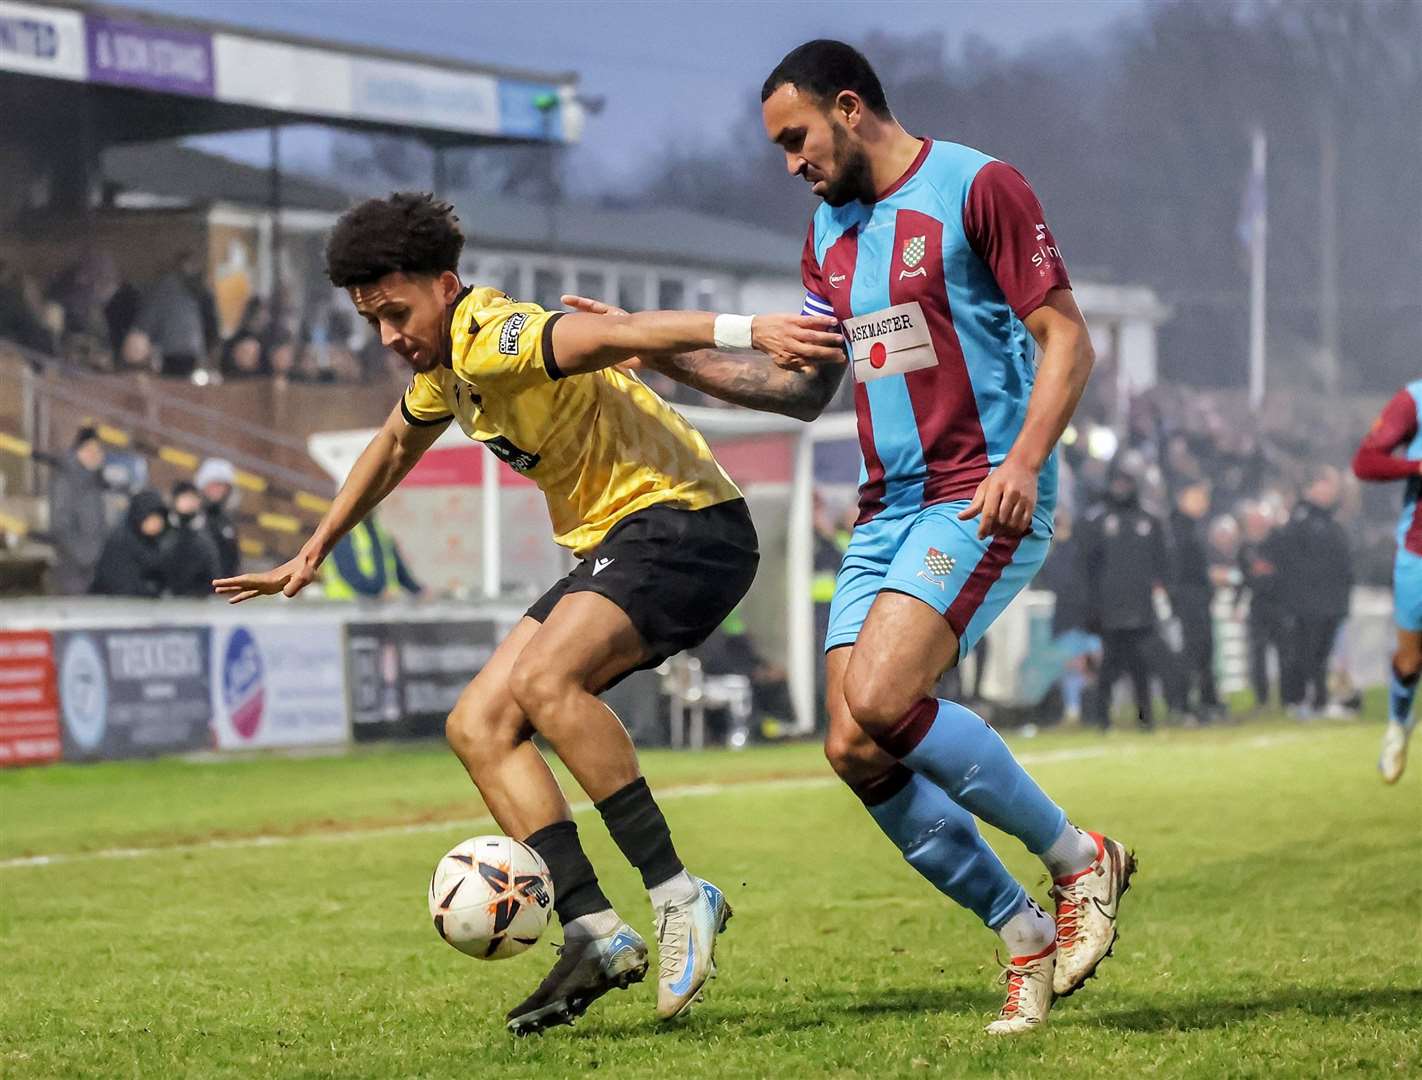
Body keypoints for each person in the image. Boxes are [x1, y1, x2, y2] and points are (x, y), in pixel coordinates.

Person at [568, 41, 1134, 1034]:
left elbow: (1068, 339)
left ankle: (1082, 860)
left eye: (796, 137)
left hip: (980, 492)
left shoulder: (978, 186)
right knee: (851, 745)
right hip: (885, 511)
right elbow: (800, 389)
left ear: (849, 106)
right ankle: (1021, 934)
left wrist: (1026, 462)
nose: (790, 160)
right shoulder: (829, 234)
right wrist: (655, 357)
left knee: (881, 698)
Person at [211, 192, 838, 1033]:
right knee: (477, 724)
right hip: (626, 539)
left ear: (444, 285)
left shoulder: (492, 335)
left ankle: (680, 896)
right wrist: (316, 545)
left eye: (397, 312)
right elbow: (394, 443)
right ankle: (590, 929)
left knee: (547, 681)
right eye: (373, 322)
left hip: (686, 522)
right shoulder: (444, 371)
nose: (390, 336)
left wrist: (748, 329)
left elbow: (617, 335)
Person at [1351, 383, 1422, 782]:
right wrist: (1416, 467)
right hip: (1419, 551)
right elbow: (1365, 462)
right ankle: (1398, 723)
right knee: (1410, 659)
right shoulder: (1414, 400)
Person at [1078, 455, 1171, 732]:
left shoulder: (1149, 520)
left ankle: (1146, 719)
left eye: (1126, 482)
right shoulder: (1096, 520)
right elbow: (1086, 568)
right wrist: (1091, 609)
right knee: (1109, 667)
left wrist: (1162, 594)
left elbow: (1163, 563)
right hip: (1110, 610)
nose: (1121, 488)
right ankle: (1101, 719)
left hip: (1141, 607)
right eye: (1117, 482)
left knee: (1142, 665)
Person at [1274, 466, 1353, 718]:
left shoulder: (1329, 521)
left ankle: (1319, 699)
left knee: (1321, 655)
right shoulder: (1300, 521)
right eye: (1328, 484)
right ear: (1313, 487)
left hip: (1330, 602)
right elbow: (1291, 565)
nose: (1333, 490)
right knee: (1306, 653)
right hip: (1309, 604)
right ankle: (1303, 700)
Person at [1166, 478, 1223, 723]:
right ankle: (1184, 705)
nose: (1204, 502)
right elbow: (1179, 569)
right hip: (1188, 600)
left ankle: (1207, 700)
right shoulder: (1176, 529)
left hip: (1197, 598)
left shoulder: (1190, 527)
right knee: (1190, 653)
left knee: (1204, 652)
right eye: (1198, 496)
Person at [47, 425, 109, 595]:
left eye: (98, 451)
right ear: (77, 451)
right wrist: (86, 556)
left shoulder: (98, 482)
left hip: (99, 567)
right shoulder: (65, 481)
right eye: (88, 450)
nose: (94, 455)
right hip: (74, 570)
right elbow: (60, 525)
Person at [1236, 502, 1285, 712]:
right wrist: (1237, 603)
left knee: (1285, 654)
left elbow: (1287, 573)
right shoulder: (1246, 548)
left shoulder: (1279, 543)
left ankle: (1288, 697)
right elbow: (1243, 579)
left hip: (1280, 606)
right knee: (1258, 654)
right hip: (1258, 607)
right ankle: (1262, 698)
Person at [89, 489, 168, 597]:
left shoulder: (159, 543)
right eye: (151, 518)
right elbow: (122, 585)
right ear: (139, 516)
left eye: (160, 518)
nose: (156, 523)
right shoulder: (120, 544)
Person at [323, 514, 422, 599]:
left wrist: (417, 591)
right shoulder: (343, 528)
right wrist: (375, 593)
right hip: (349, 606)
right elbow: (349, 572)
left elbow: (397, 568)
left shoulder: (376, 528)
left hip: (379, 606)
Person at [162, 481, 222, 597]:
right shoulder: (162, 529)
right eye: (185, 498)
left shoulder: (208, 530)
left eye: (192, 499)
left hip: (197, 601)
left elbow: (213, 572)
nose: (189, 503)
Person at [195, 458, 240, 579]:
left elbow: (233, 558)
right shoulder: (193, 516)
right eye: (213, 485)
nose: (218, 490)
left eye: (222, 485)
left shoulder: (227, 521)